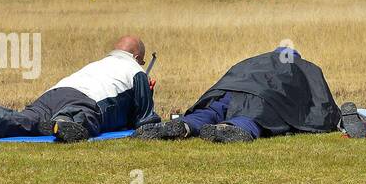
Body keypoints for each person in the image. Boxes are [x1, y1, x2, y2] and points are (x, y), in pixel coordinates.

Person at [0, 36, 158, 144]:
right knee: (84, 117)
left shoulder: (98, 64)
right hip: (84, 101)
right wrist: (147, 94)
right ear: (138, 58)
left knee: (24, 120)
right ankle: (64, 123)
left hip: (55, 93)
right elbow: (145, 121)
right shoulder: (134, 70)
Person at [138, 43, 338, 143]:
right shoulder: (305, 68)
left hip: (227, 91)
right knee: (250, 116)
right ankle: (227, 129)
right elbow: (321, 101)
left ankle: (183, 125)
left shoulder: (254, 60)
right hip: (263, 98)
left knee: (211, 112)